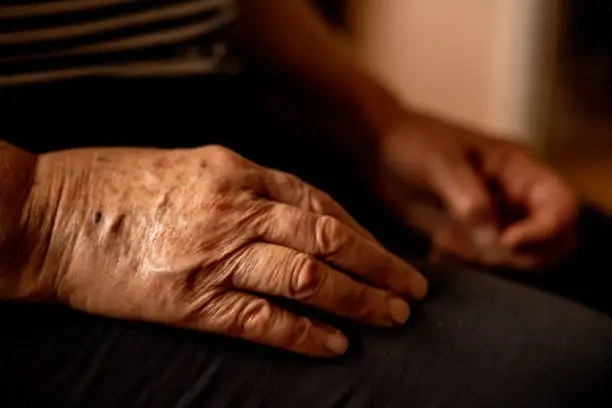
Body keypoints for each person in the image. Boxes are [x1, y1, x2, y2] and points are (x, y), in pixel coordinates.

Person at [1, 1, 612, 407]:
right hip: (29, 215)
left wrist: (374, 125)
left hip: (206, 109)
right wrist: (50, 211)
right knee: (561, 375)